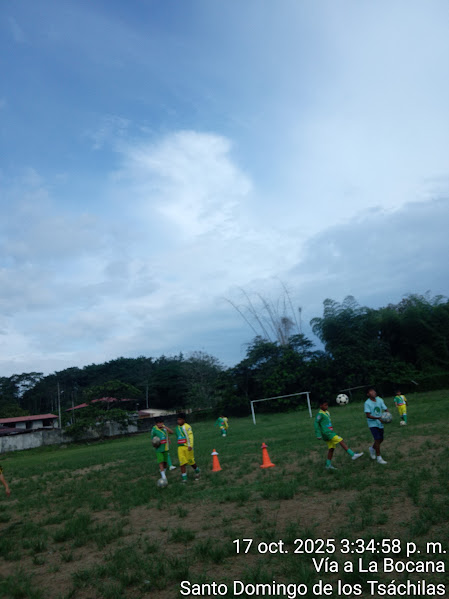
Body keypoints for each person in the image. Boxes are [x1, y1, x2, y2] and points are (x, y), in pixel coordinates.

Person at [314, 399, 363, 470]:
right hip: (327, 433)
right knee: (340, 440)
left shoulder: (327, 412)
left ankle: (328, 465)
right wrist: (318, 434)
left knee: (331, 448)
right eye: (325, 405)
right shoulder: (320, 414)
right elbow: (316, 423)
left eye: (327, 405)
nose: (326, 406)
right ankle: (352, 454)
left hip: (329, 432)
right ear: (320, 406)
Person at [364, 386, 390, 465]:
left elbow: (385, 409)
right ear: (368, 394)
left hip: (380, 422)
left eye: (374, 391)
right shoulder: (367, 403)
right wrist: (378, 418)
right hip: (372, 424)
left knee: (381, 439)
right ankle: (379, 458)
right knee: (377, 439)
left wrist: (388, 416)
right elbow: (368, 415)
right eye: (371, 391)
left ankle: (372, 448)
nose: (373, 392)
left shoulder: (379, 400)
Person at [175, 413, 200, 483]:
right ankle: (184, 478)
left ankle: (197, 470)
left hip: (187, 447)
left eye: (180, 419)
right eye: (177, 420)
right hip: (180, 448)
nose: (178, 421)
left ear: (183, 420)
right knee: (182, 463)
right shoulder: (177, 428)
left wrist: (190, 445)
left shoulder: (187, 426)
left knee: (190, 461)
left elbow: (190, 436)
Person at [151, 417, 175, 484]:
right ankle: (163, 477)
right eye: (158, 423)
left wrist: (166, 428)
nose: (159, 424)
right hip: (159, 449)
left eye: (160, 423)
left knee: (165, 463)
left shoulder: (164, 428)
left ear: (163, 423)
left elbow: (171, 432)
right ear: (156, 424)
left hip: (165, 447)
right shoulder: (154, 429)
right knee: (160, 462)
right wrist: (155, 444)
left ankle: (163, 472)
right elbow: (152, 439)